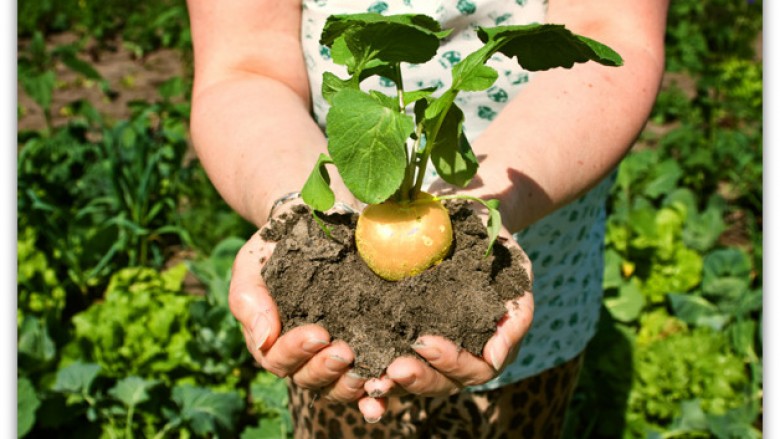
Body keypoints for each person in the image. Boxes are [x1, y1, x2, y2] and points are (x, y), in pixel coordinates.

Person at [185, 0, 669, 437]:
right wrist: (297, 213)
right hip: (347, 232)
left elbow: (615, 33)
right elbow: (245, 63)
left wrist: (479, 211)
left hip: (536, 258)